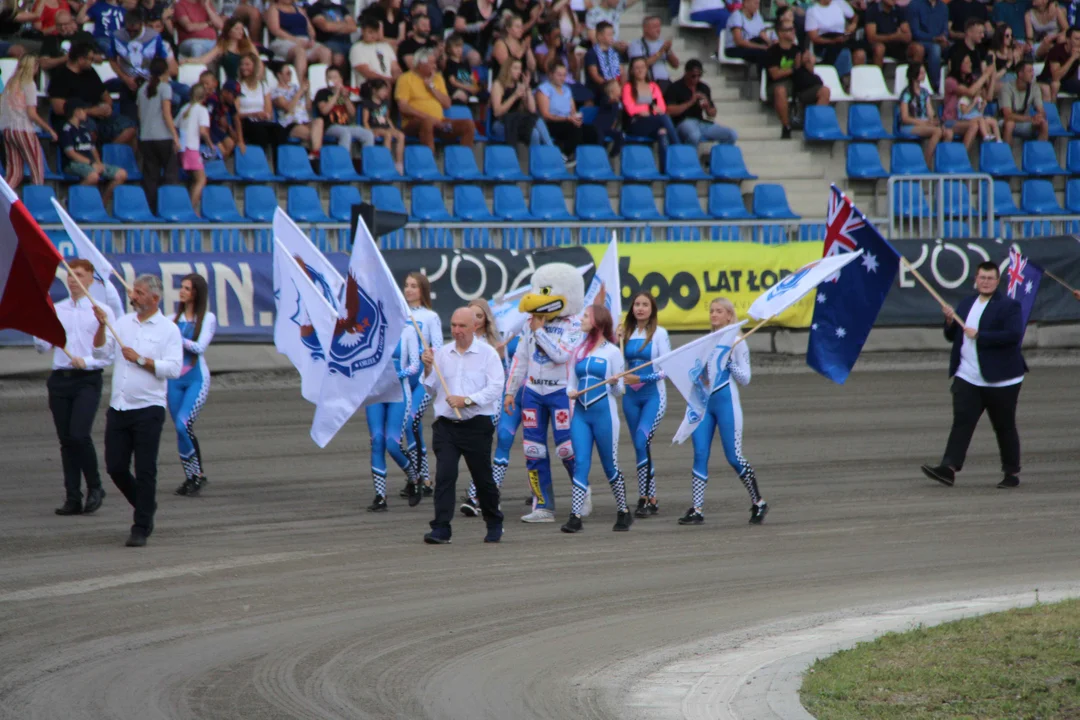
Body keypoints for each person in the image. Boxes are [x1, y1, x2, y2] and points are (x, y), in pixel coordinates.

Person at [91, 275, 183, 548]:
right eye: (133, 292)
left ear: (155, 299)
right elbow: (100, 354)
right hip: (120, 406)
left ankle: (141, 524)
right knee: (116, 467)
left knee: (145, 469)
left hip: (148, 408)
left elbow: (174, 368)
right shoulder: (122, 324)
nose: (134, 297)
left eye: (140, 293)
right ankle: (145, 503)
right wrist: (100, 327)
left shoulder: (168, 330)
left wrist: (141, 360)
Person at [921, 262, 1028, 490]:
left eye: (990, 278)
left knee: (1004, 426)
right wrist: (949, 320)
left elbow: (1013, 335)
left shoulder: (1010, 306)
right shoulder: (967, 303)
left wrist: (981, 335)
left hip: (1002, 380)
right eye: (982, 277)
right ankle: (948, 468)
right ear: (976, 279)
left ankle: (1011, 472)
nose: (986, 281)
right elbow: (953, 336)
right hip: (968, 376)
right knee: (962, 422)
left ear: (997, 281)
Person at [34, 260, 115, 517]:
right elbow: (42, 348)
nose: (72, 279)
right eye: (69, 275)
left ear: (91, 278)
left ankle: (95, 487)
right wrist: (38, 323)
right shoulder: (57, 309)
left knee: (79, 434)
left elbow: (108, 353)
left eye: (78, 275)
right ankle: (72, 496)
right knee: (66, 440)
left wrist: (87, 361)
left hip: (87, 380)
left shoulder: (102, 311)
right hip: (60, 379)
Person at [421, 307, 506, 545]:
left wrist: (467, 400)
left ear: (475, 327)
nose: (456, 331)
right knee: (445, 476)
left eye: (462, 326)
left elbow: (496, 387)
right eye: (454, 325)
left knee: (483, 478)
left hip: (476, 424)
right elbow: (431, 388)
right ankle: (441, 528)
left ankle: (494, 520)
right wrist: (428, 367)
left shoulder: (487, 354)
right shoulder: (442, 353)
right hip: (447, 425)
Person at [681, 298, 768, 526]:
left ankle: (758, 501)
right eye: (711, 311)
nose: (714, 314)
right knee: (700, 453)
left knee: (734, 456)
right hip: (704, 405)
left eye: (719, 311)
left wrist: (729, 362)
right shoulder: (706, 341)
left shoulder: (738, 342)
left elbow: (746, 379)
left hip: (726, 402)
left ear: (729, 316)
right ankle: (697, 508)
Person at [563, 305, 633, 533]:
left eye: (585, 316)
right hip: (581, 416)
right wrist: (570, 392)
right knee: (580, 464)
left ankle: (623, 511)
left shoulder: (612, 352)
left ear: (597, 321)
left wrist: (614, 382)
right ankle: (575, 516)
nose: (581, 319)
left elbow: (619, 391)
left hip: (605, 416)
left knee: (609, 465)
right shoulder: (578, 350)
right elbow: (571, 383)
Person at [615, 292, 670, 518]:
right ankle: (650, 497)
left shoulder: (660, 333)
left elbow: (667, 370)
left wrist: (641, 379)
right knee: (640, 446)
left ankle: (646, 497)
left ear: (652, 309)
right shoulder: (625, 333)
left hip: (653, 397)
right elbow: (617, 363)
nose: (640, 308)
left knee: (642, 440)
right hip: (630, 398)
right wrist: (614, 338)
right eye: (637, 304)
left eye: (645, 304)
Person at [168, 273, 217, 497]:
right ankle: (192, 477)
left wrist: (175, 336)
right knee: (181, 431)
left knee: (182, 424)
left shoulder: (207, 318)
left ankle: (197, 476)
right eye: (182, 287)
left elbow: (198, 347)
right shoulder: (171, 319)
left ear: (196, 293)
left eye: (187, 288)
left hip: (196, 379)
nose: (182, 291)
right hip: (174, 381)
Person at [365, 327, 420, 511]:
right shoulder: (371, 326)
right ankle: (380, 496)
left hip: (399, 394)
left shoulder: (407, 330)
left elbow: (414, 366)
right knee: (377, 441)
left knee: (392, 444)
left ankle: (414, 478)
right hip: (375, 394)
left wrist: (395, 376)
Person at [48, 41, 136, 145]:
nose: (92, 62)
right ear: (80, 59)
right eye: (90, 59)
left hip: (99, 117)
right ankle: (94, 158)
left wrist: (106, 107)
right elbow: (59, 109)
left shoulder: (90, 72)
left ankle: (108, 154)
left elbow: (106, 96)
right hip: (74, 119)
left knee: (129, 127)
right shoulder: (60, 77)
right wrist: (91, 111)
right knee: (89, 130)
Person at [402, 272, 443, 499]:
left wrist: (422, 354)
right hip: (402, 379)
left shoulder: (430, 317)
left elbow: (437, 347)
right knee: (410, 428)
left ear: (422, 290)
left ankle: (422, 477)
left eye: (414, 286)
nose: (409, 290)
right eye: (407, 286)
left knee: (411, 422)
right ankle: (420, 477)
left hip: (423, 380)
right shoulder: (399, 314)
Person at [395, 47, 476, 151]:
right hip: (413, 124)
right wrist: (428, 118)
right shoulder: (405, 78)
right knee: (427, 122)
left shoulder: (437, 78)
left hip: (441, 125)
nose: (435, 66)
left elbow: (447, 104)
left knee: (468, 125)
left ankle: (463, 162)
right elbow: (403, 107)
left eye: (435, 63)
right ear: (420, 64)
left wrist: (432, 87)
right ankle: (430, 163)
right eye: (431, 63)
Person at [765, 20, 829, 139]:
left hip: (800, 84)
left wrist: (809, 61)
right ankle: (786, 127)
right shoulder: (772, 51)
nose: (793, 31)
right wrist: (795, 67)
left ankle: (813, 126)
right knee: (780, 90)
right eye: (789, 29)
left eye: (793, 28)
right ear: (780, 33)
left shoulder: (799, 49)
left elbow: (810, 71)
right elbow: (775, 74)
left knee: (825, 91)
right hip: (780, 83)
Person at [0, 55, 55, 190]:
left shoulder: (10, 83)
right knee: (36, 168)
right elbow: (31, 114)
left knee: (14, 172)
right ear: (34, 67)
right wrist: (49, 129)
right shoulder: (29, 84)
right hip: (23, 129)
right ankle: (36, 203)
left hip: (7, 130)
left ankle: (3, 201)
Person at [60, 101, 129, 206]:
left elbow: (92, 149)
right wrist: (92, 164)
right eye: (83, 110)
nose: (85, 113)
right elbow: (71, 154)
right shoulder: (67, 130)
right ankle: (69, 200)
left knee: (121, 174)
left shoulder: (84, 129)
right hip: (72, 164)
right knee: (93, 176)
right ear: (77, 112)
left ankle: (102, 204)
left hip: (91, 163)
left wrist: (98, 163)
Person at [137, 57, 180, 214]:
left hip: (146, 138)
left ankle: (151, 211)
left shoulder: (142, 89)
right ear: (165, 71)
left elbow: (140, 115)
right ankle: (169, 209)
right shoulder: (165, 88)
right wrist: (175, 136)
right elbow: (167, 114)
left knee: (150, 178)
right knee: (170, 175)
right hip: (163, 137)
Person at [622, 56, 679, 171]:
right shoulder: (628, 87)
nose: (640, 70)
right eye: (636, 68)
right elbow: (631, 109)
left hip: (654, 121)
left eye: (642, 67)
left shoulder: (653, 86)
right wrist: (650, 109)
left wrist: (648, 110)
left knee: (662, 133)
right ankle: (678, 148)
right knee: (663, 118)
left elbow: (662, 107)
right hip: (636, 123)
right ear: (632, 71)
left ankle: (665, 171)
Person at [665, 59, 736, 147]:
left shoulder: (704, 87)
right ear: (686, 73)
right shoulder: (675, 87)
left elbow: (712, 114)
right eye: (693, 76)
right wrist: (690, 102)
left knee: (731, 134)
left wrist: (707, 107)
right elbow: (669, 110)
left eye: (699, 75)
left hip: (701, 123)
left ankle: (715, 159)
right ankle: (690, 159)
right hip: (682, 123)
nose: (696, 79)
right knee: (694, 135)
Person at [899, 63, 952, 168]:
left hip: (924, 124)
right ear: (915, 74)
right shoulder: (906, 93)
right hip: (910, 126)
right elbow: (905, 118)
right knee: (937, 131)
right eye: (922, 73)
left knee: (949, 133)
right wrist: (924, 123)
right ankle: (926, 163)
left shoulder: (925, 92)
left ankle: (941, 163)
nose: (924, 75)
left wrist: (935, 120)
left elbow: (930, 112)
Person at [491, 58, 553, 148]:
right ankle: (553, 153)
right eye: (515, 68)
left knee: (535, 132)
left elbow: (532, 110)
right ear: (508, 69)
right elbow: (497, 112)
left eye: (520, 68)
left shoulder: (519, 85)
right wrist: (515, 96)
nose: (519, 71)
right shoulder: (498, 85)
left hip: (519, 122)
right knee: (534, 125)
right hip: (502, 124)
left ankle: (540, 158)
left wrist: (527, 88)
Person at [537, 60, 589, 161]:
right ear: (551, 75)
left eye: (564, 75)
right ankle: (563, 156)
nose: (562, 78)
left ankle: (585, 160)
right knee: (574, 129)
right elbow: (545, 115)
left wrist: (576, 118)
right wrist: (567, 119)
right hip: (552, 123)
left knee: (591, 130)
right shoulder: (544, 89)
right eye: (559, 75)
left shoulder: (567, 90)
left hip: (568, 121)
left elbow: (572, 111)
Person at [265, 0, 330, 82]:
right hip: (284, 40)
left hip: (305, 40)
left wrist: (311, 40)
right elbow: (275, 30)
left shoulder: (299, 9)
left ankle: (322, 84)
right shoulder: (274, 9)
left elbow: (310, 29)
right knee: (300, 52)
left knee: (325, 52)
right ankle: (302, 85)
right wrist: (295, 40)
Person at [944, 52, 1000, 145]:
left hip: (968, 119)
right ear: (958, 64)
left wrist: (992, 75)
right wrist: (985, 74)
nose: (970, 64)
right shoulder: (951, 81)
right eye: (967, 62)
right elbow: (970, 92)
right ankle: (963, 156)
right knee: (974, 125)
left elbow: (989, 97)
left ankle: (995, 147)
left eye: (970, 62)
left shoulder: (971, 79)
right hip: (952, 120)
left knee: (988, 124)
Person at [313, 65, 374, 151]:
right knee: (345, 133)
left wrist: (346, 98)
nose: (332, 80)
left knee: (368, 134)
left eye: (335, 77)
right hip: (330, 126)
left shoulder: (344, 93)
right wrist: (336, 94)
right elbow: (324, 111)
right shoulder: (322, 93)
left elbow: (353, 114)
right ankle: (344, 160)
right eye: (329, 77)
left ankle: (368, 161)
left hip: (346, 125)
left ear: (341, 79)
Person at [182, 17, 258, 83]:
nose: (240, 32)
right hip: (232, 82)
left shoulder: (248, 45)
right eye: (237, 29)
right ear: (229, 31)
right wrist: (187, 60)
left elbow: (258, 61)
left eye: (241, 29)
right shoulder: (222, 46)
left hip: (249, 80)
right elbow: (204, 59)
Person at [236, 52, 288, 149]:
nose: (243, 67)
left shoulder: (263, 86)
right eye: (242, 64)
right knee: (260, 132)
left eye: (247, 64)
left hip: (261, 121)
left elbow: (269, 111)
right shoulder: (238, 86)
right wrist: (253, 114)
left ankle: (278, 162)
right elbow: (236, 113)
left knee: (279, 131)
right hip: (245, 121)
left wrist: (264, 115)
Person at [176, 85, 211, 216]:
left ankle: (193, 209)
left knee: (194, 179)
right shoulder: (201, 110)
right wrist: (210, 144)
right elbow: (203, 131)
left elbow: (175, 125)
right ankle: (190, 210)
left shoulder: (184, 108)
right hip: (191, 149)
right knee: (201, 179)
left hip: (182, 149)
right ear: (204, 97)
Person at [360, 78, 404, 173]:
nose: (386, 93)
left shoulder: (385, 103)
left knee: (401, 135)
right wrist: (369, 132)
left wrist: (393, 129)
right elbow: (365, 121)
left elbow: (387, 118)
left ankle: (399, 163)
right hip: (374, 128)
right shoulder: (367, 103)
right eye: (383, 90)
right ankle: (386, 161)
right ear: (374, 90)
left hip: (385, 127)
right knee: (387, 135)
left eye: (386, 90)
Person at [1000, 60, 1049, 144]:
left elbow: (1041, 109)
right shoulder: (1007, 88)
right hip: (1005, 121)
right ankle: (1006, 155)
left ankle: (1039, 153)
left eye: (1033, 71)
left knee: (1043, 123)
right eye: (1030, 71)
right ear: (1020, 74)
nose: (1032, 74)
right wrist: (1030, 118)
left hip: (1025, 121)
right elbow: (1007, 115)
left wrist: (1040, 116)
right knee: (1010, 124)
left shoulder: (1035, 87)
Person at [270, 61, 316, 151]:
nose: (290, 75)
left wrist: (307, 92)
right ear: (279, 75)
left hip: (305, 120)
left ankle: (314, 155)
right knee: (313, 135)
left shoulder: (295, 87)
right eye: (287, 73)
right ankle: (314, 157)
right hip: (290, 123)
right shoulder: (276, 92)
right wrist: (300, 92)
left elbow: (309, 107)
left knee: (319, 126)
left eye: (291, 73)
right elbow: (288, 108)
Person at [866, 0, 923, 67]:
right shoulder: (872, 11)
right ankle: (877, 76)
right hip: (879, 46)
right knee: (880, 48)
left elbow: (908, 36)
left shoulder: (899, 10)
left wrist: (902, 36)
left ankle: (914, 75)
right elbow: (871, 37)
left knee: (918, 49)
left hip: (897, 46)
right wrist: (894, 36)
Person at [628, 15, 678, 90]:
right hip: (649, 82)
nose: (658, 30)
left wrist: (668, 51)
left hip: (665, 81)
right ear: (645, 28)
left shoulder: (661, 43)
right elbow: (640, 65)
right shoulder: (636, 44)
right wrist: (660, 52)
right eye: (655, 27)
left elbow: (675, 65)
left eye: (659, 26)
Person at [908, 0, 949, 93]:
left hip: (939, 42)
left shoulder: (943, 7)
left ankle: (954, 84)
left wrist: (943, 37)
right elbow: (915, 32)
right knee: (935, 49)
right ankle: (935, 85)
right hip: (921, 41)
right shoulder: (915, 4)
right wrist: (934, 38)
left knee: (955, 48)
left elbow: (945, 29)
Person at [350, 16, 400, 90]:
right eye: (370, 32)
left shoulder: (385, 46)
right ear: (362, 31)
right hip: (369, 88)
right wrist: (387, 80)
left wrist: (397, 77)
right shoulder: (357, 48)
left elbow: (395, 67)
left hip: (388, 87)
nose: (373, 35)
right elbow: (366, 71)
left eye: (376, 32)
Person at [306, 0, 355, 70]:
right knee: (338, 59)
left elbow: (353, 27)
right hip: (328, 41)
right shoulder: (314, 8)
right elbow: (325, 27)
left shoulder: (341, 7)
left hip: (347, 42)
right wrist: (344, 25)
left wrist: (333, 26)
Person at [1038, 26, 1080, 101]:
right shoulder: (1056, 51)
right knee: (1056, 84)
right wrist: (1072, 58)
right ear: (1068, 40)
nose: (1079, 42)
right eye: (1077, 39)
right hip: (1049, 79)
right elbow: (1056, 77)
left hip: (1067, 80)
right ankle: (1052, 110)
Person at [725, 0, 772, 66]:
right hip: (735, 48)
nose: (757, 7)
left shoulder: (757, 16)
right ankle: (762, 75)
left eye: (758, 4)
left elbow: (762, 34)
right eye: (755, 3)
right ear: (746, 3)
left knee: (773, 52)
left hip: (751, 44)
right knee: (761, 54)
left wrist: (771, 45)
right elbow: (739, 41)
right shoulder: (737, 16)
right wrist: (761, 47)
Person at [584, 20, 621, 101]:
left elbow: (621, 71)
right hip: (599, 91)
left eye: (612, 34)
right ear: (599, 36)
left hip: (616, 89)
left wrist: (619, 87)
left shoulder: (615, 53)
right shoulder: (591, 53)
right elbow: (595, 75)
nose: (612, 37)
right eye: (609, 35)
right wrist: (610, 87)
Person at [396, 4, 438, 69]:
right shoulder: (406, 45)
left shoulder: (433, 44)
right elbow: (413, 68)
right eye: (424, 25)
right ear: (414, 27)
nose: (427, 29)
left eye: (428, 26)